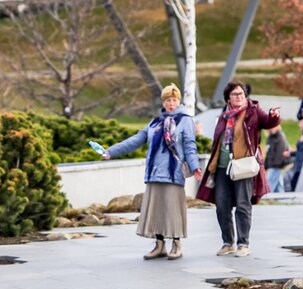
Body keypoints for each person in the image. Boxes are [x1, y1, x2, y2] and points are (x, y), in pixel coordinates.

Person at [104, 84, 202, 260]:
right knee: (156, 209)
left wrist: (195, 166)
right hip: (154, 172)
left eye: (174, 100)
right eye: (167, 100)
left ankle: (176, 245)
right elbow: (136, 140)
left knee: (172, 210)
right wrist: (111, 151)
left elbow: (189, 145)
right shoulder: (155, 122)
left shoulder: (185, 120)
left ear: (179, 101)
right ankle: (159, 245)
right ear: (163, 102)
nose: (171, 103)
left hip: (173, 172)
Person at [195, 80, 280, 257]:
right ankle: (228, 242)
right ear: (228, 97)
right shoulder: (224, 114)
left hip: (243, 166)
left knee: (243, 205)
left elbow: (268, 123)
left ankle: (243, 243)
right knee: (222, 206)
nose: (239, 97)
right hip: (222, 166)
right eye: (235, 94)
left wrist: (274, 116)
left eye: (241, 93)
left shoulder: (253, 111)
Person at [264, 124, 291, 193]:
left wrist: (277, 164)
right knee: (278, 184)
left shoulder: (280, 137)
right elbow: (268, 152)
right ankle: (281, 196)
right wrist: (265, 165)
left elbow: (280, 152)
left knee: (270, 181)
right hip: (272, 164)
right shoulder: (270, 138)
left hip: (277, 165)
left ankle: (267, 195)